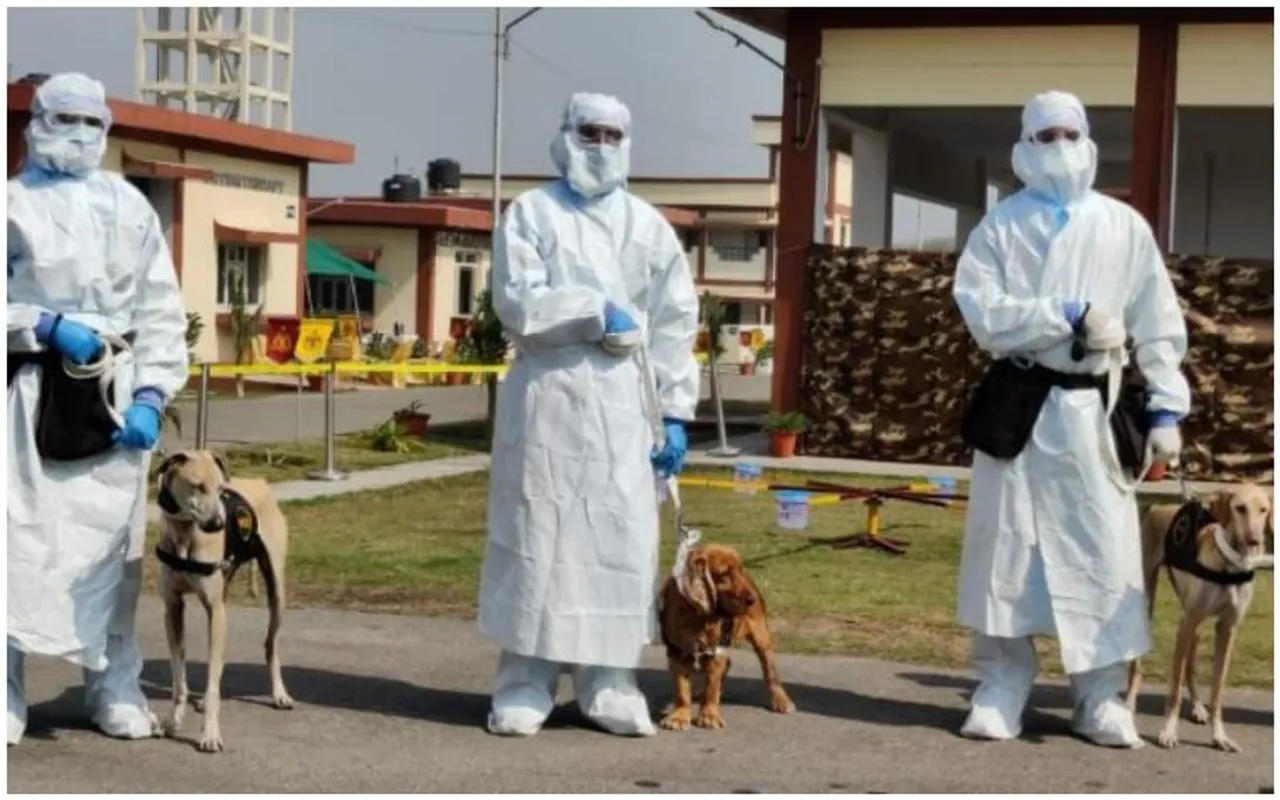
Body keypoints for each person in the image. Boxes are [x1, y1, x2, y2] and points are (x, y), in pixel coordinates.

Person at [951, 90, 1189, 748]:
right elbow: (981, 311)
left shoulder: (1122, 226)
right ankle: (1001, 684)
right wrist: (1063, 314)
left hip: (1092, 411)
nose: (1057, 146)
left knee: (1104, 552)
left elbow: (1158, 321)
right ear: (1024, 146)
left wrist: (1167, 404)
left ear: (1087, 139)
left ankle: (1100, 695)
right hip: (1022, 408)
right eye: (1043, 134)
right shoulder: (1000, 227)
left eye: (1067, 132)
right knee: (1008, 549)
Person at [476, 92, 700, 738]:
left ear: (627, 143)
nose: (600, 145)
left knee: (616, 540)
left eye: (612, 134)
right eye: (588, 132)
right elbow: (517, 300)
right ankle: (525, 679)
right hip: (548, 398)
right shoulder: (531, 214)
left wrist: (675, 414)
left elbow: (676, 321)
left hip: (624, 408)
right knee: (537, 537)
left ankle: (609, 681)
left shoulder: (649, 228)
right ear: (565, 135)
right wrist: (594, 310)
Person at [7, 72, 190, 745]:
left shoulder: (129, 207)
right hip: (29, 394)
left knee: (113, 555)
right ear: (37, 121)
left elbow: (160, 307)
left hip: (113, 397)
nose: (81, 134)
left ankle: (112, 684)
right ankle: (6, 687)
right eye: (67, 119)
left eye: (94, 123)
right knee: (19, 545)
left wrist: (151, 392)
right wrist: (43, 325)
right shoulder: (11, 203)